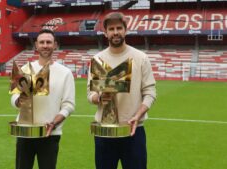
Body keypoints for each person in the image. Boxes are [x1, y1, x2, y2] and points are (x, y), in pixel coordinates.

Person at [87, 12, 156, 169]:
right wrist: (98, 97)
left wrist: (137, 116)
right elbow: (90, 95)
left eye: (119, 28)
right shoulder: (97, 60)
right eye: (111, 29)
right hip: (104, 132)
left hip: (133, 131)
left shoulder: (141, 58)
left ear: (126, 30)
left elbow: (150, 92)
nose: (115, 32)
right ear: (105, 33)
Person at [11, 29, 75, 169]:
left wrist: (54, 122)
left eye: (48, 42)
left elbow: (69, 105)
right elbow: (14, 98)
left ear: (55, 45)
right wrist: (21, 99)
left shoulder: (65, 73)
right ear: (36, 45)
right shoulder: (25, 69)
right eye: (42, 42)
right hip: (25, 131)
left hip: (50, 133)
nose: (45, 45)